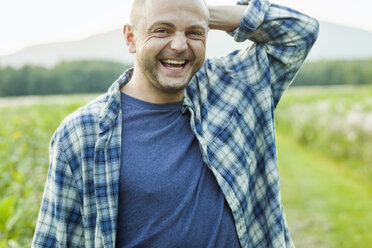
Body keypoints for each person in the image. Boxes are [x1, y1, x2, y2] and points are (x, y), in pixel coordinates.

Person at [32, 0, 319, 247]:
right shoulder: (81, 133)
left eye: (194, 33)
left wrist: (204, 11)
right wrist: (189, 14)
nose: (180, 46)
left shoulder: (231, 88)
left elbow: (299, 33)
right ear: (131, 38)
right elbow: (55, 239)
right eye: (162, 30)